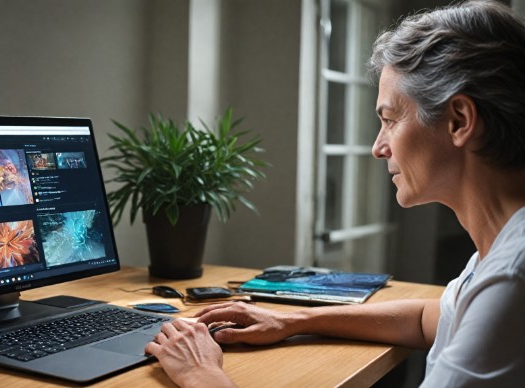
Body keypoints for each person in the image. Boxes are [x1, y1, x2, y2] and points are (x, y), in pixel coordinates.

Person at [144, 1, 525, 386]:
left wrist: (200, 373)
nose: (378, 147)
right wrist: (290, 320)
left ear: (459, 120)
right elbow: (429, 318)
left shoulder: (511, 280)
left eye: (390, 119)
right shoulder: (501, 250)